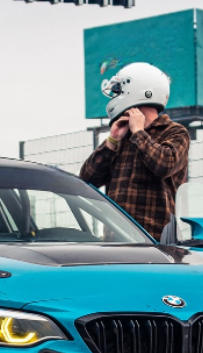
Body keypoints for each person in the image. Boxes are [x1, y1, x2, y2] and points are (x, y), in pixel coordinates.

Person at [80, 62, 190, 241]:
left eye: (119, 91)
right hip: (116, 242)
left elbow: (164, 165)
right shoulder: (122, 138)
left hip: (154, 242)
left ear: (141, 91)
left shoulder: (175, 132)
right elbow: (86, 180)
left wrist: (139, 132)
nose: (116, 96)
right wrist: (112, 140)